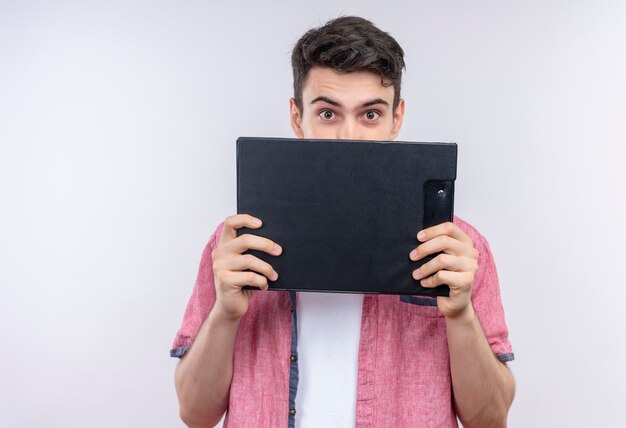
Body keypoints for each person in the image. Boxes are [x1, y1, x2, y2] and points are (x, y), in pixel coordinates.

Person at [171, 16, 515, 428]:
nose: (349, 136)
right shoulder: (240, 242)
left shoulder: (458, 246)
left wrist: (461, 316)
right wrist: (225, 315)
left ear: (396, 119)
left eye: (370, 114)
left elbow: (490, 420)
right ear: (298, 118)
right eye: (328, 113)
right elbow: (195, 414)